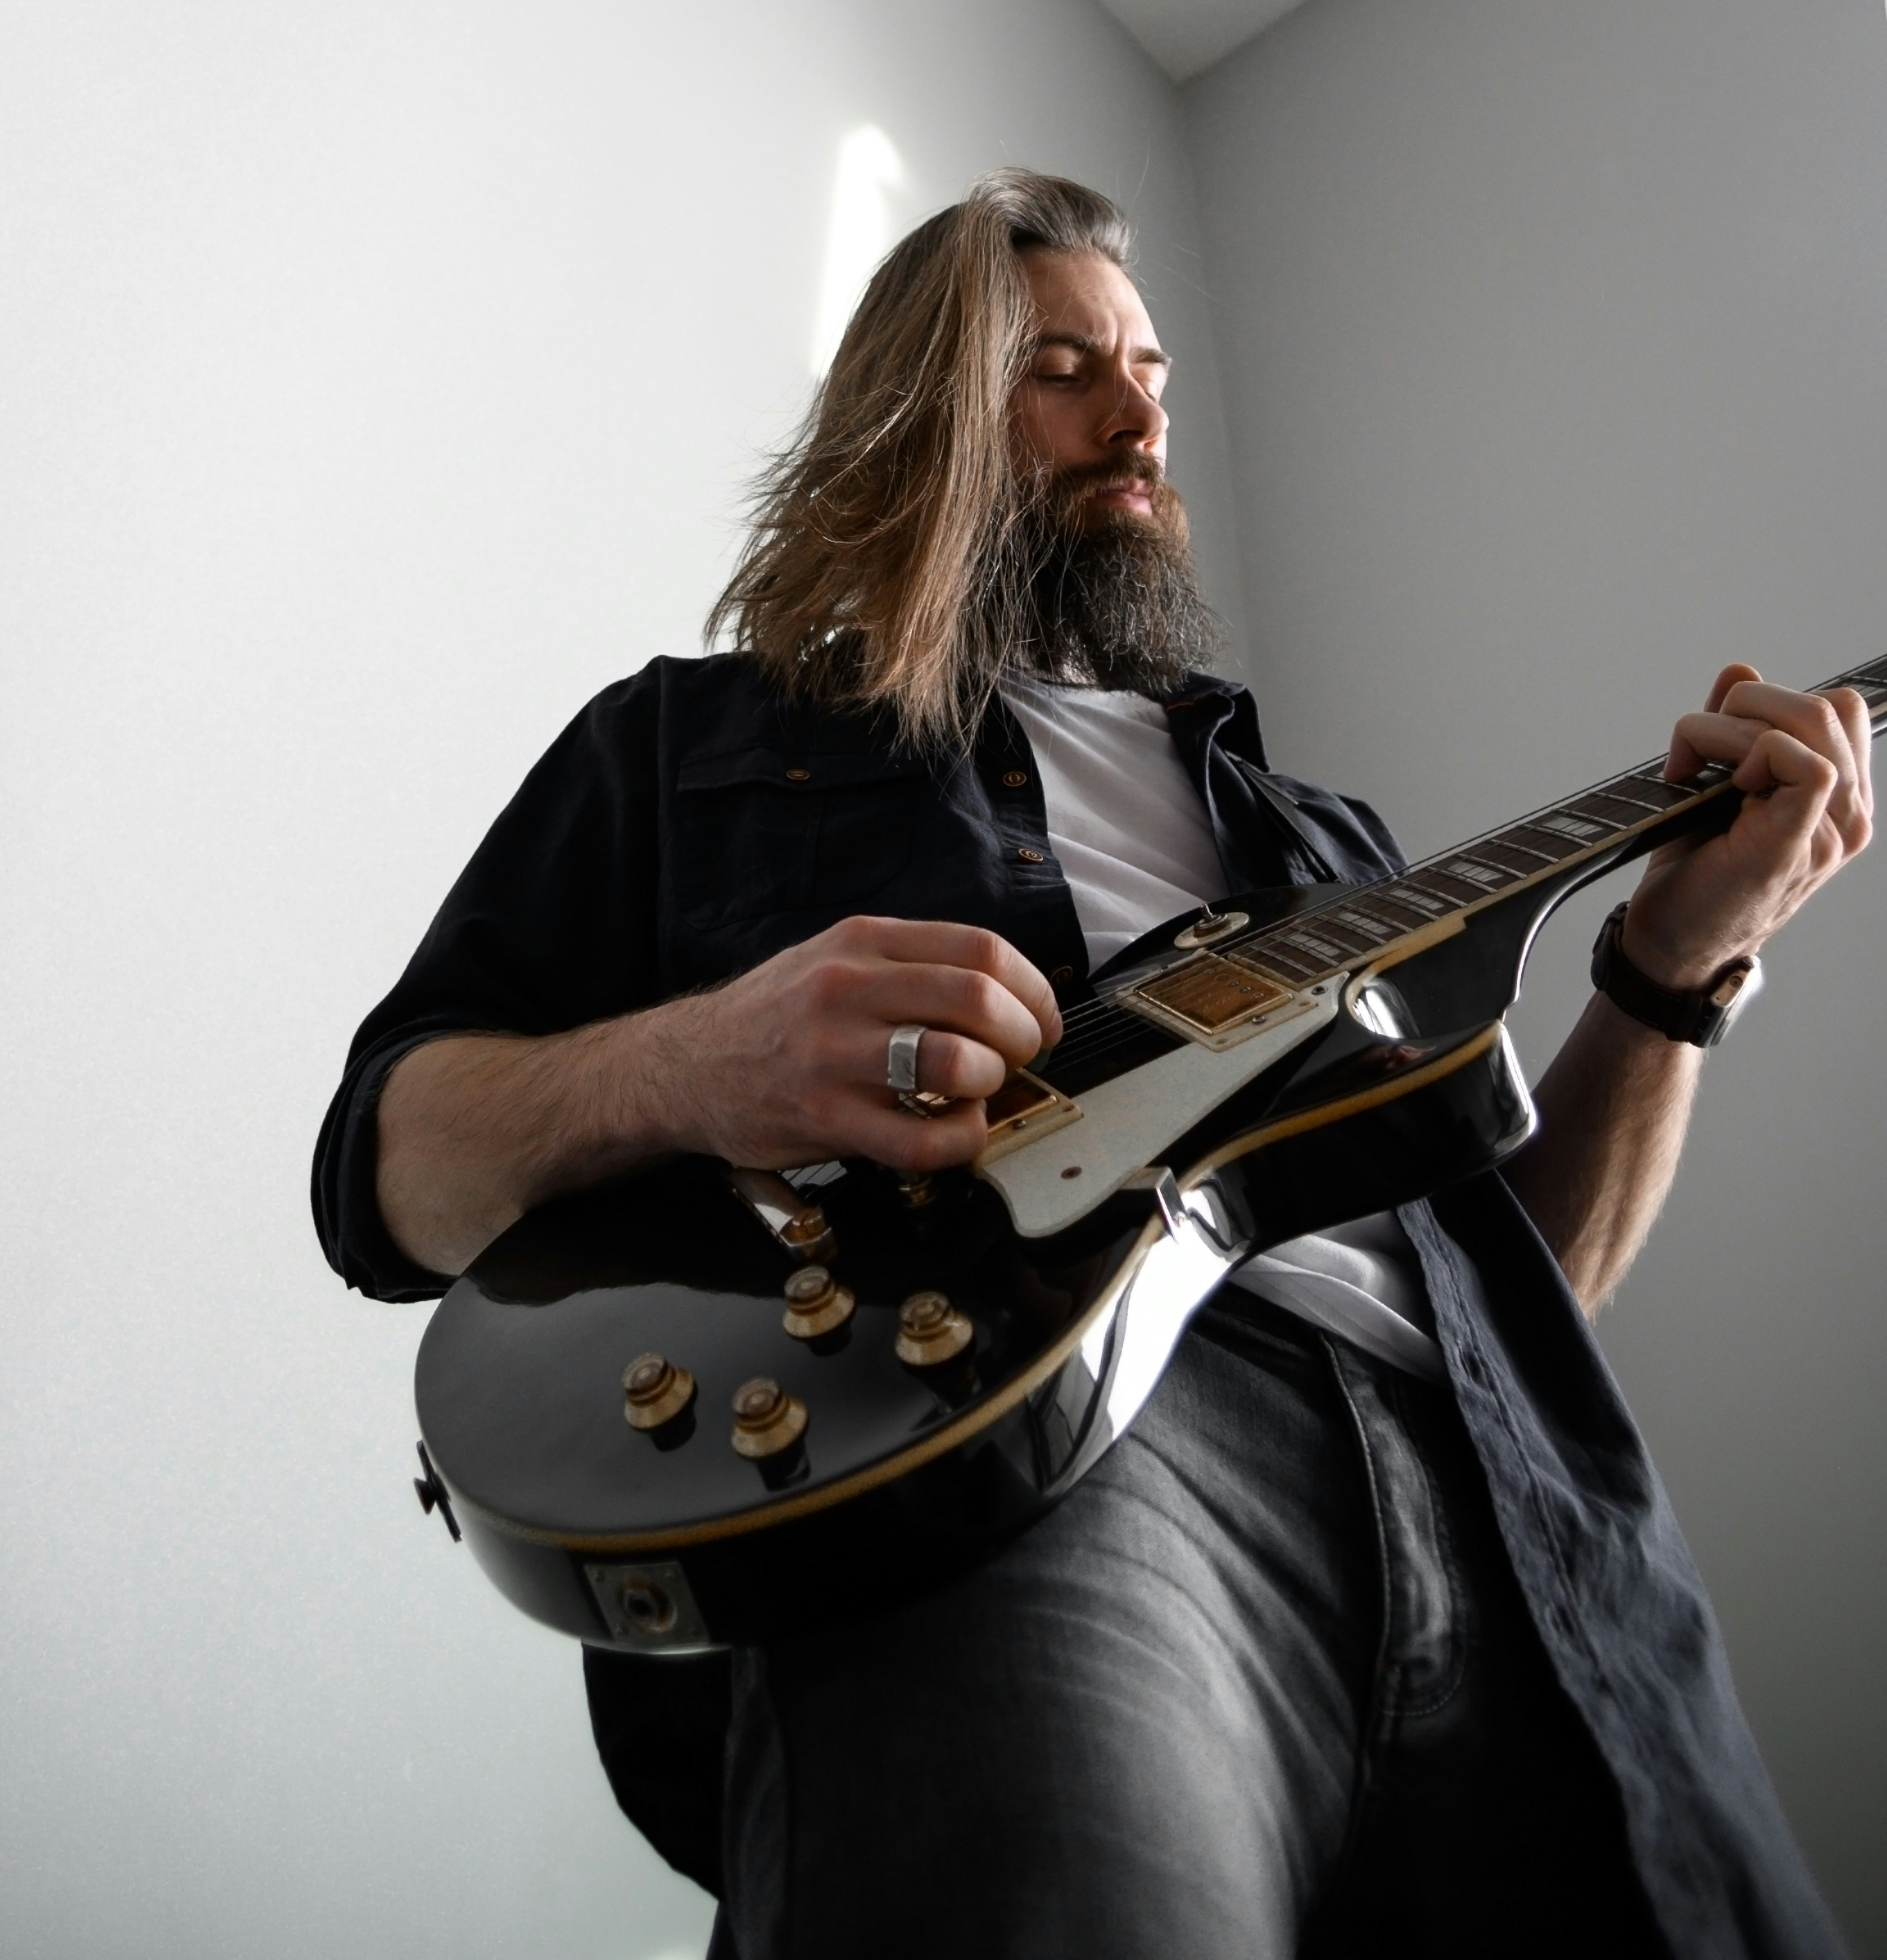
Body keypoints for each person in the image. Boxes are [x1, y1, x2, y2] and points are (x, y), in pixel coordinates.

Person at [313, 170, 1871, 1960]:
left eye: (1148, 372)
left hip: (1540, 1553)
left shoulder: (1325, 841)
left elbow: (1527, 1284)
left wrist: (1674, 967)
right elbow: (381, 1174)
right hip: (1037, 1469)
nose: (1137, 414)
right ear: (915, 415)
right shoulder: (682, 746)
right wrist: (693, 1060)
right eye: (1061, 368)